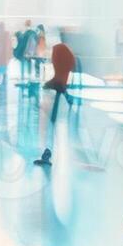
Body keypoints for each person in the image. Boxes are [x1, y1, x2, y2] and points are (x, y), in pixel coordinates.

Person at [34, 36, 77, 166]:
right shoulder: (66, 70)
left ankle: (47, 152)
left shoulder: (53, 87)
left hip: (54, 96)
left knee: (47, 127)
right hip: (58, 95)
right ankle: (48, 152)